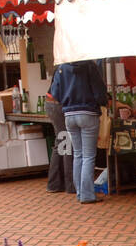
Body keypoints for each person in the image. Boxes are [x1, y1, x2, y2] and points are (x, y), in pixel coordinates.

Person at [48, 59, 107, 204]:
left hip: (69, 115)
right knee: (88, 156)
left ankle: (80, 193)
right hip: (88, 113)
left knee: (78, 155)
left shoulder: (62, 68)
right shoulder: (90, 66)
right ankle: (87, 195)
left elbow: (55, 93)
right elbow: (100, 93)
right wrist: (102, 101)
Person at [44, 90, 74, 194]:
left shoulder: (62, 73)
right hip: (57, 104)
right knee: (66, 141)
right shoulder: (72, 73)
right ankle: (70, 185)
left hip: (52, 103)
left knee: (62, 140)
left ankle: (55, 184)